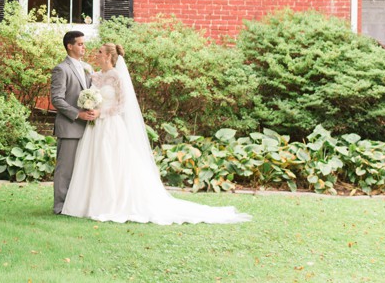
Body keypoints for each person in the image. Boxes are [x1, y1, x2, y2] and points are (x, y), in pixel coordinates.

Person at [61, 43, 251, 224]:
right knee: (95, 163)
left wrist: (101, 112)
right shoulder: (95, 75)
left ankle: (111, 203)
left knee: (111, 163)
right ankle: (90, 203)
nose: (97, 54)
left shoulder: (116, 77)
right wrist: (90, 106)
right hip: (95, 128)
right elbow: (92, 94)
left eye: (100, 52)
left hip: (110, 126)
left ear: (109, 56)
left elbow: (121, 105)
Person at [50, 30, 99, 214]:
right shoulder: (61, 69)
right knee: (65, 169)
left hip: (88, 127)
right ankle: (60, 206)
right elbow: (57, 99)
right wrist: (77, 114)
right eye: (80, 44)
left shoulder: (88, 67)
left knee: (82, 169)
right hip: (69, 127)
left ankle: (76, 205)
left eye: (84, 44)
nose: (84, 47)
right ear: (69, 46)